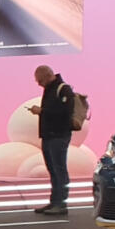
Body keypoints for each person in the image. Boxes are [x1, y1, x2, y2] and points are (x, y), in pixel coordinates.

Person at [28, 65, 77, 215]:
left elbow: (64, 112)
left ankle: (61, 203)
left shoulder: (63, 89)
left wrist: (42, 111)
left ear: (48, 76)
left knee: (59, 169)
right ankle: (54, 201)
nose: (39, 84)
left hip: (59, 135)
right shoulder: (49, 89)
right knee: (53, 170)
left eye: (40, 80)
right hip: (49, 135)